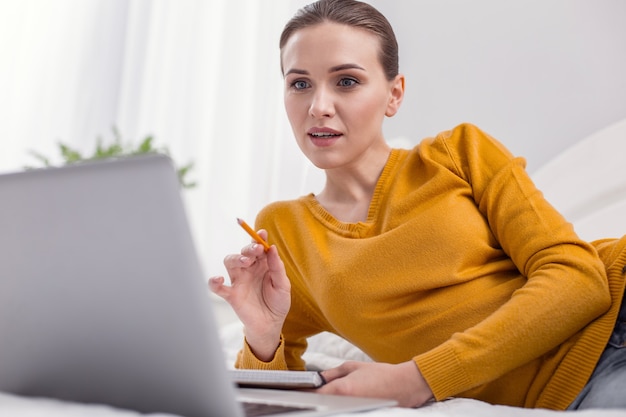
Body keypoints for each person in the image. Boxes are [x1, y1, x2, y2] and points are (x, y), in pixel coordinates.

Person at [209, 0, 626, 410]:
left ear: (394, 95)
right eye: (300, 84)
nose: (318, 106)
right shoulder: (284, 230)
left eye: (347, 81)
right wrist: (262, 334)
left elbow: (579, 276)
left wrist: (419, 377)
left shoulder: (460, 153)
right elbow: (268, 397)